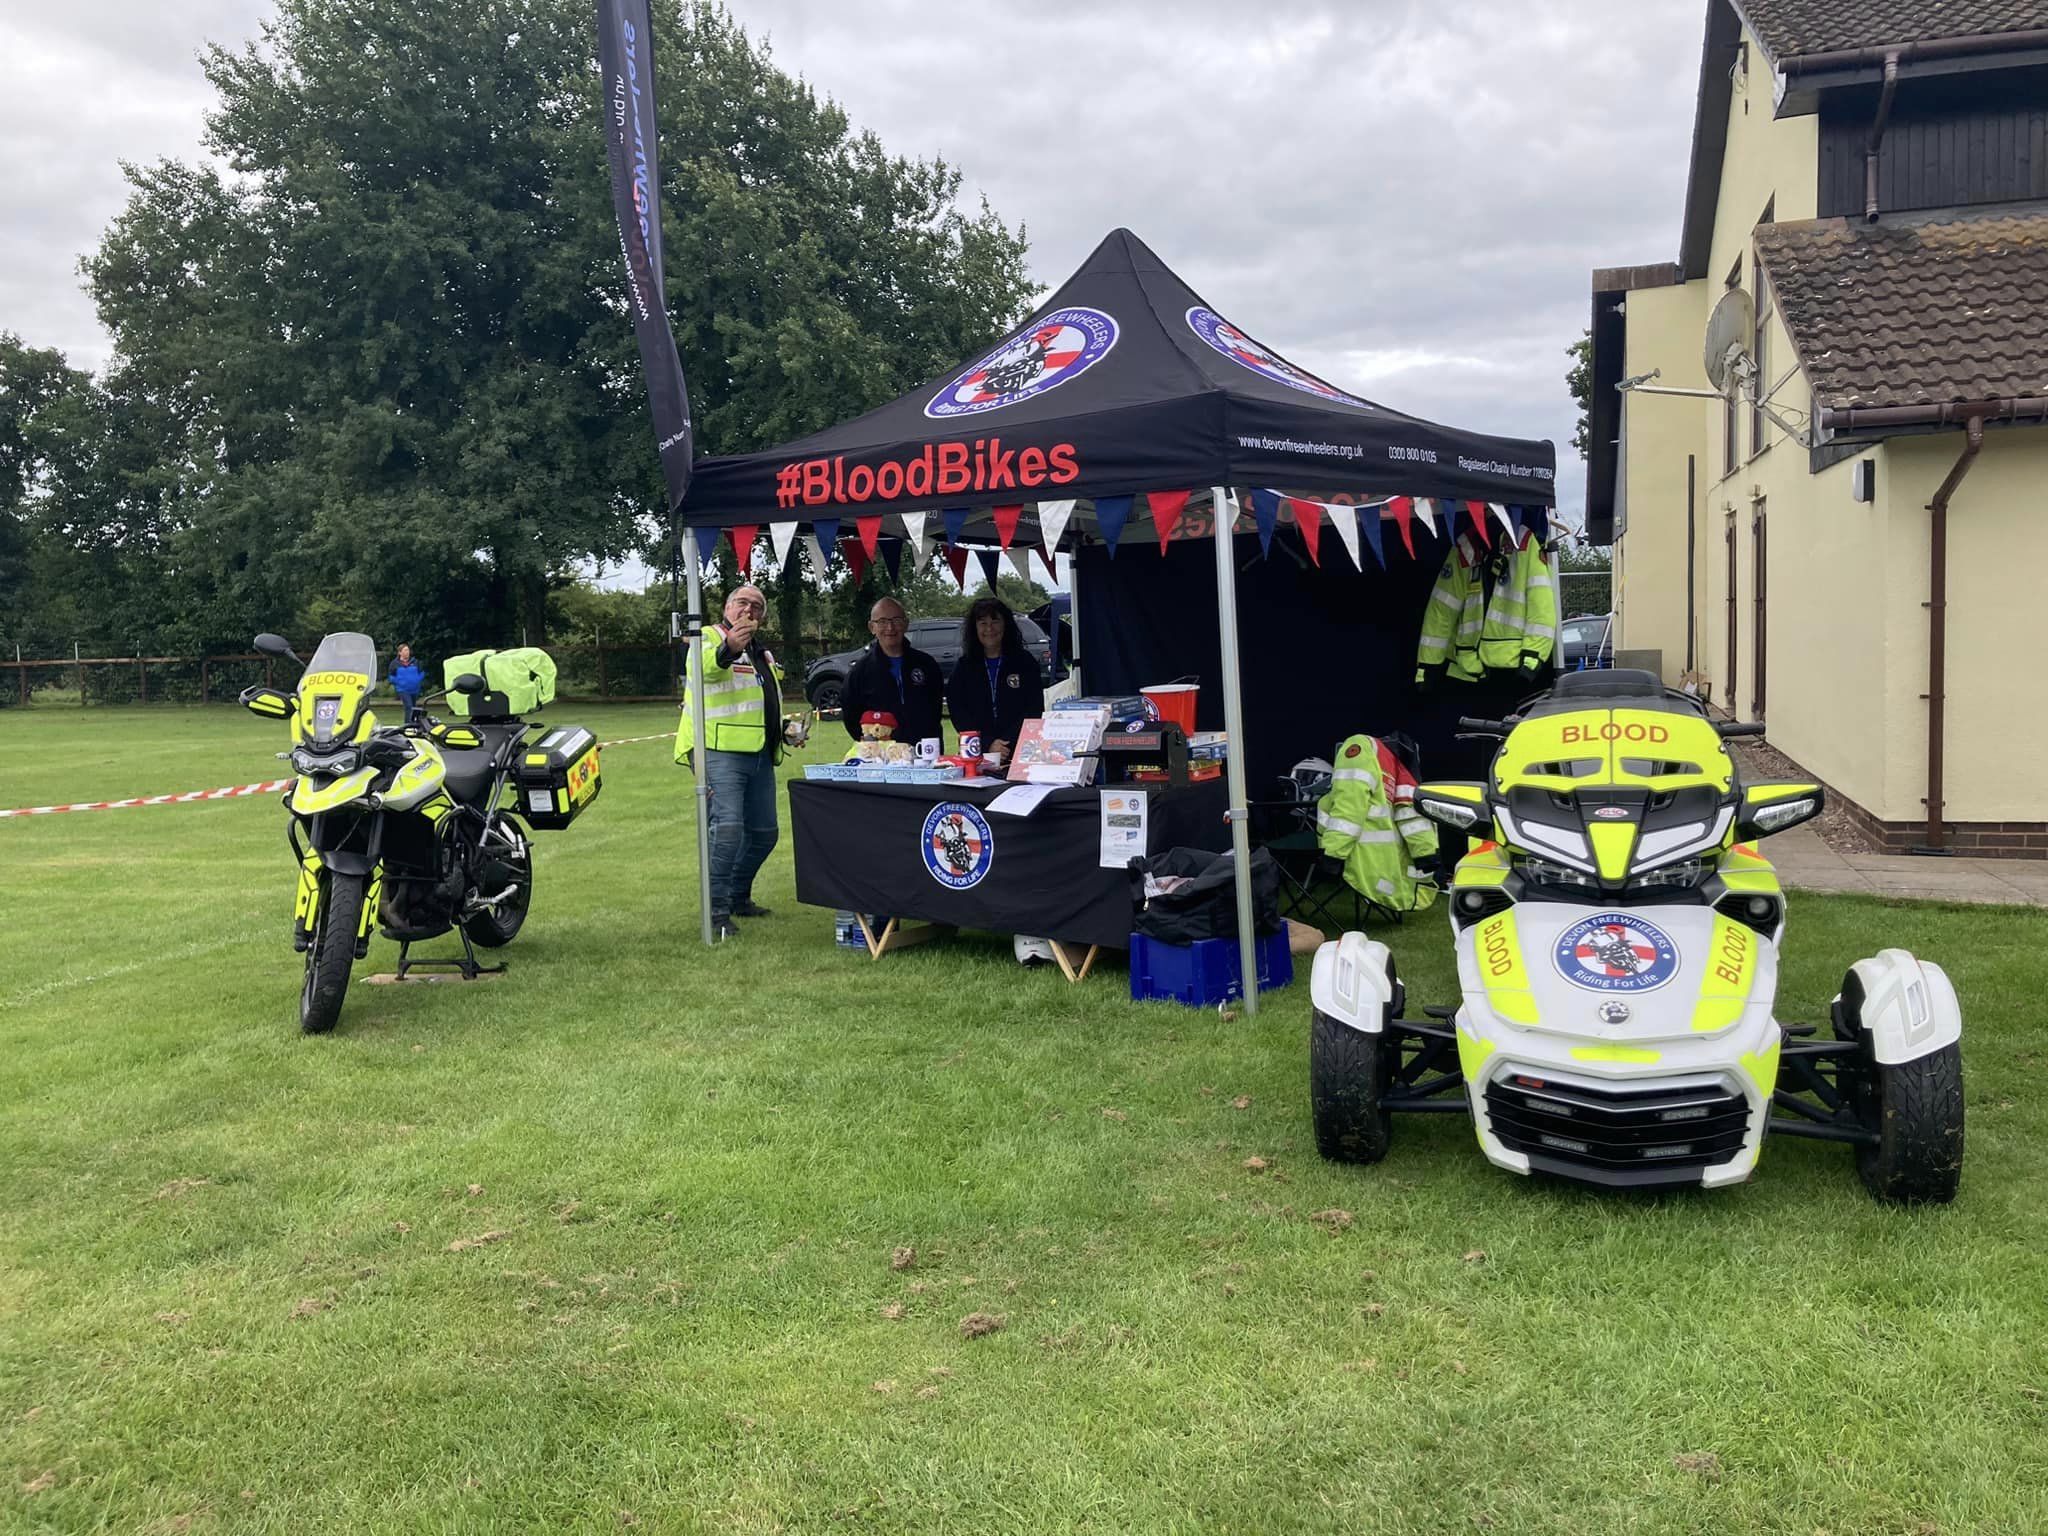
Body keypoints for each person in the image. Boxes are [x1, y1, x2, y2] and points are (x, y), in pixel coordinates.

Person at [675, 584, 800, 940]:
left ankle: (738, 897)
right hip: (719, 749)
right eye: (743, 602)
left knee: (764, 834)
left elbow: (760, 702)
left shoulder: (764, 653)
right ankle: (715, 912)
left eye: (758, 606)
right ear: (728, 607)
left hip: (760, 751)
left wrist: (786, 729)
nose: (750, 609)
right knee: (727, 830)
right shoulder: (707, 638)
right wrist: (730, 647)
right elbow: (705, 674)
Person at [839, 597, 945, 751]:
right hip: (882, 758)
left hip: (926, 752)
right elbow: (851, 714)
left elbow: (935, 710)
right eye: (882, 621)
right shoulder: (860, 671)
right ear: (872, 627)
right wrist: (869, 743)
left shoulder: (926, 664)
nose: (890, 627)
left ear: (906, 624)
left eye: (896, 620)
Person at [945, 596, 1044, 762]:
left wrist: (1006, 743)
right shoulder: (964, 666)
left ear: (1006, 624)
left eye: (995, 621)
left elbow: (1034, 708)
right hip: (978, 752)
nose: (989, 628)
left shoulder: (1024, 662)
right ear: (974, 628)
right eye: (983, 623)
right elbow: (958, 710)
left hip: (1020, 751)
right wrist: (987, 743)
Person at [388, 643, 425, 724]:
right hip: (403, 689)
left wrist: (417, 680)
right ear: (400, 652)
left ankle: (410, 724)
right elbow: (391, 677)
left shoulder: (415, 662)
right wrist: (400, 682)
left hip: (414, 689)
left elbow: (422, 673)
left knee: (413, 707)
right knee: (408, 706)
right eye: (405, 650)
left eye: (408, 650)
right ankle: (409, 724)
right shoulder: (394, 664)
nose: (407, 652)